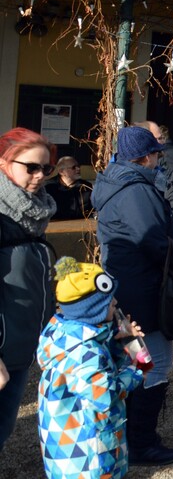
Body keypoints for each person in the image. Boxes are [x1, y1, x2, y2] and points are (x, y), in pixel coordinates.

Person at [93, 126, 173, 465]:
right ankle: (142, 442)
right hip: (142, 289)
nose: (158, 159)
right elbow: (152, 239)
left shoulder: (113, 182)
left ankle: (129, 437)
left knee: (136, 359)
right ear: (146, 156)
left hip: (123, 287)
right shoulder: (137, 190)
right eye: (156, 153)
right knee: (155, 362)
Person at [37, 258, 146, 479]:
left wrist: (118, 342)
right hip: (88, 455)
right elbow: (105, 395)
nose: (115, 301)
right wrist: (137, 370)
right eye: (110, 301)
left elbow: (99, 369)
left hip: (68, 448)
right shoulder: (85, 352)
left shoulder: (65, 335)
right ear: (93, 309)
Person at [0, 127, 57, 452]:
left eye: (45, 168)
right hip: (3, 347)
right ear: (4, 163)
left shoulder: (31, 217)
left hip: (20, 346)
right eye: (31, 167)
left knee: (3, 426)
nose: (39, 176)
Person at [45, 155, 93, 220]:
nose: (78, 169)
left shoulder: (86, 187)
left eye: (78, 166)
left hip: (81, 225)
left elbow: (93, 209)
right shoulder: (48, 187)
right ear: (61, 171)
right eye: (73, 167)